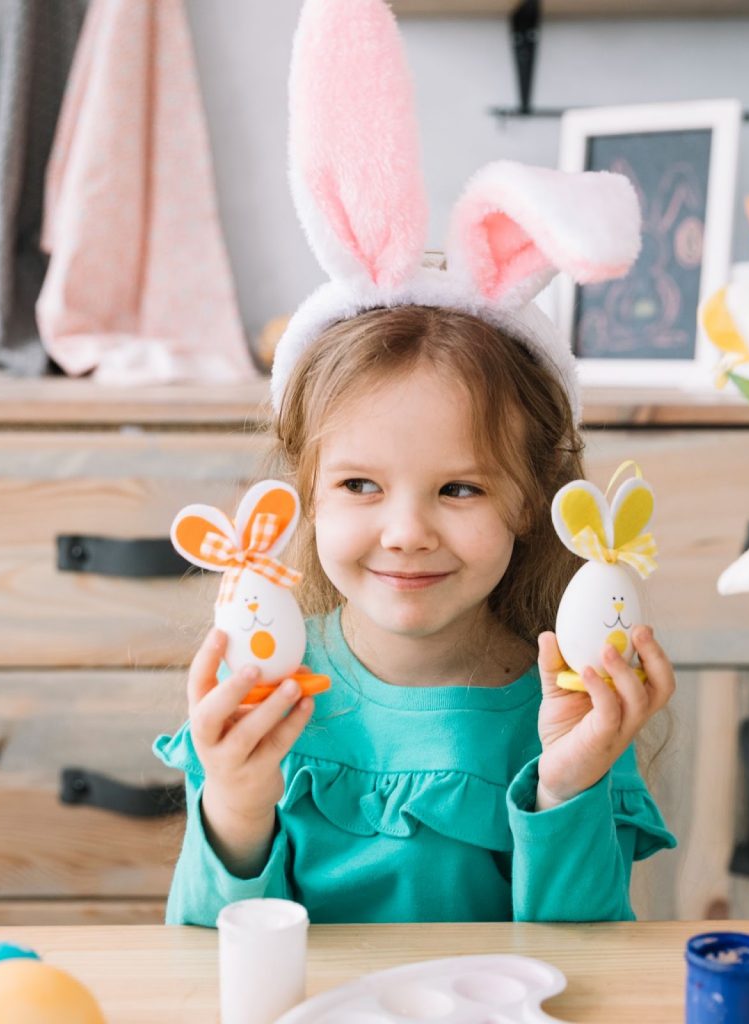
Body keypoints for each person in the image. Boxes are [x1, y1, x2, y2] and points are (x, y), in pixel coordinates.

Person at [154, 0, 676, 926]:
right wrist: (235, 801)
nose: (405, 532)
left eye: (460, 487)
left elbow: (592, 966)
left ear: (530, 502)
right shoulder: (268, 695)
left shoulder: (567, 703)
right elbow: (209, 960)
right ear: (306, 493)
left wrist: (569, 779)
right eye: (360, 485)